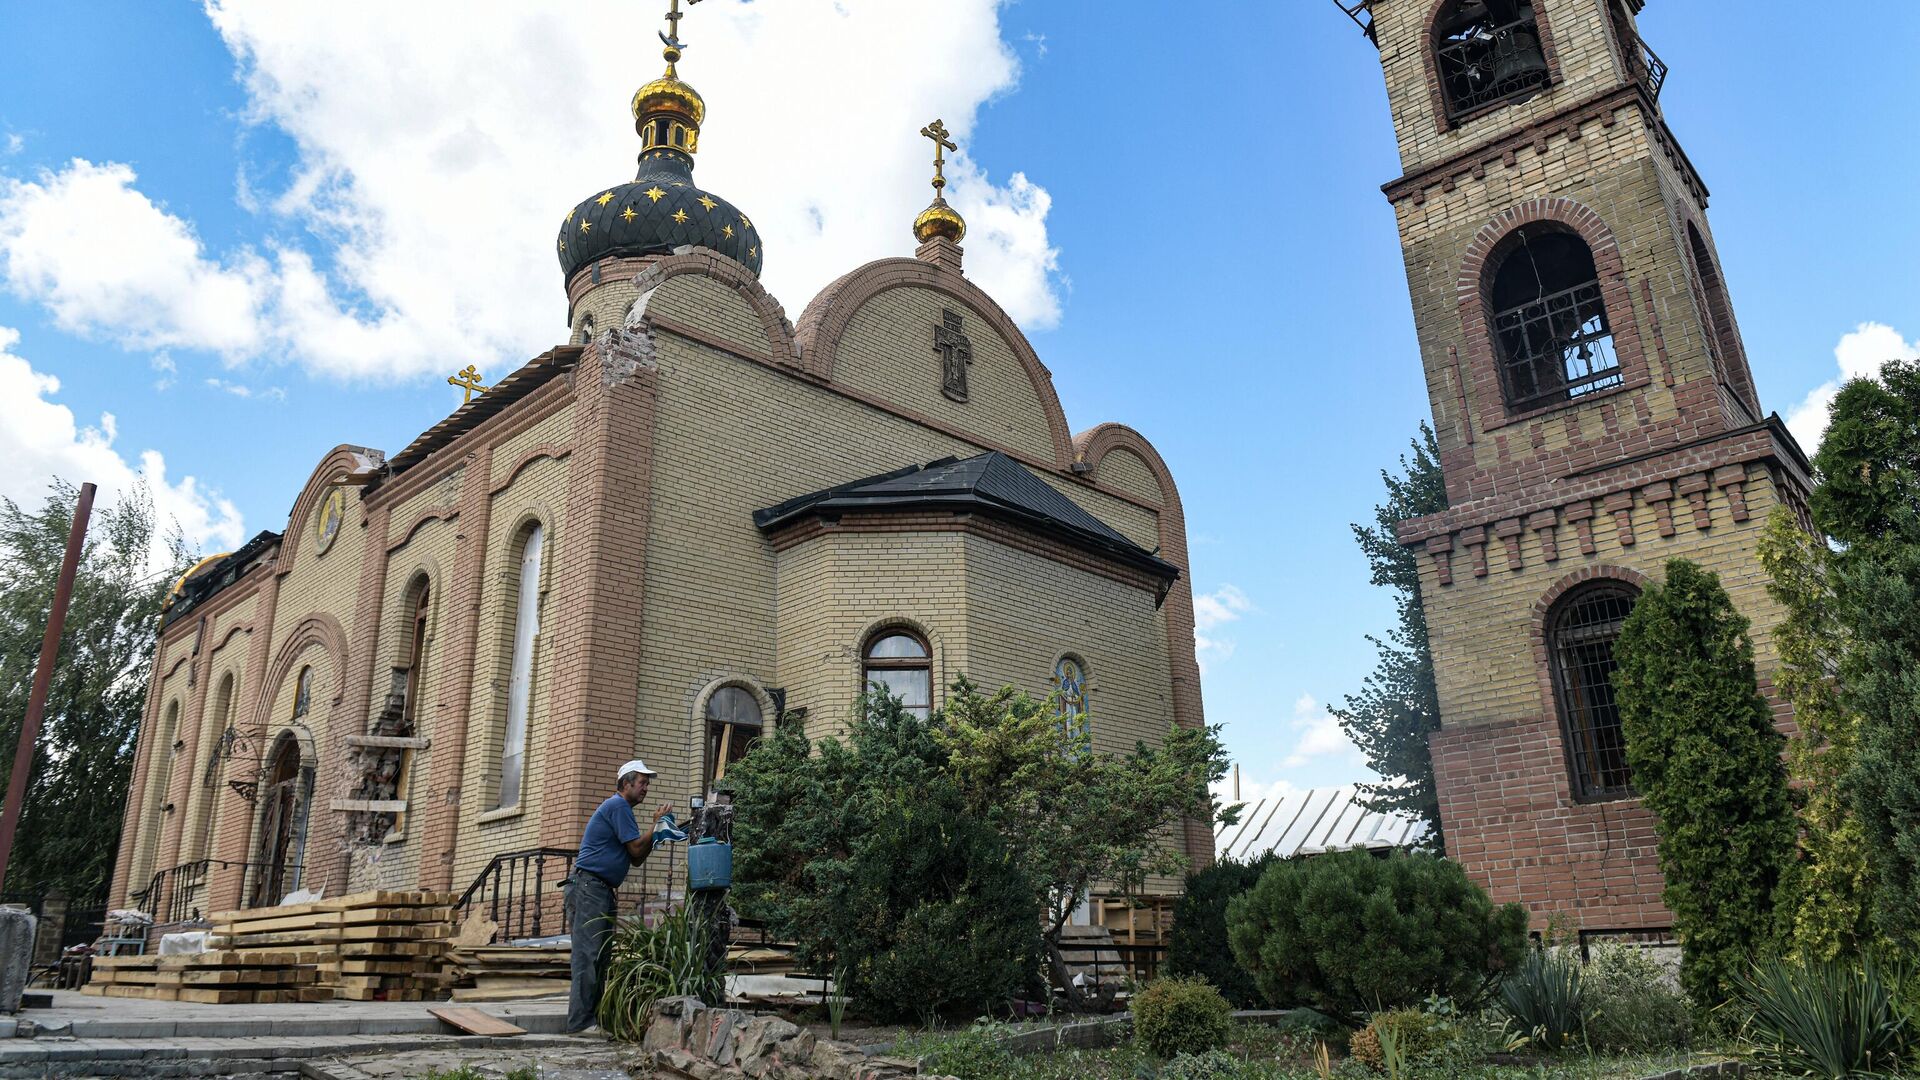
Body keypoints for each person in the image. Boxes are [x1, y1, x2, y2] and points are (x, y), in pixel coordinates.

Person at [566, 759, 672, 1033]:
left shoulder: (622, 810)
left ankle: (592, 1021)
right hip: (590, 888)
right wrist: (656, 826)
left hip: (598, 889)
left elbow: (636, 858)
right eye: (642, 783)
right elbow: (636, 849)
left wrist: (655, 831)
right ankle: (580, 1023)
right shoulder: (618, 806)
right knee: (588, 956)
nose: (646, 788)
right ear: (626, 784)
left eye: (647, 783)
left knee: (600, 957)